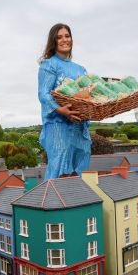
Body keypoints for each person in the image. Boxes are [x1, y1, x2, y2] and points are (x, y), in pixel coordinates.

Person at [38, 23, 91, 179]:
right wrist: (60, 110)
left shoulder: (81, 69)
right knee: (59, 170)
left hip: (79, 126)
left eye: (67, 36)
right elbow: (43, 93)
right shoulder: (48, 65)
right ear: (53, 41)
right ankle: (53, 203)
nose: (64, 40)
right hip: (58, 126)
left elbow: (88, 95)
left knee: (81, 168)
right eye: (59, 37)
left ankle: (78, 202)